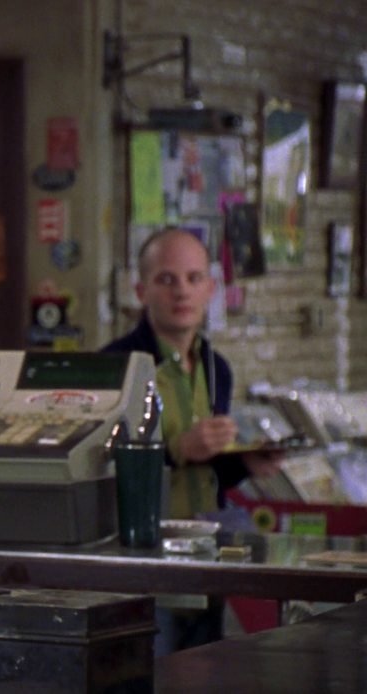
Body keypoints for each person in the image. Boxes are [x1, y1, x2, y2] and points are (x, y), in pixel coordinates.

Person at [103, 228, 281, 656]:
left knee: (205, 670)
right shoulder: (115, 366)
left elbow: (208, 471)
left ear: (210, 289)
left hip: (206, 551)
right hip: (144, 557)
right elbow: (101, 465)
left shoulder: (217, 367)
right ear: (142, 291)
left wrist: (246, 464)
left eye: (193, 278)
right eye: (166, 279)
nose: (181, 291)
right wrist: (177, 449)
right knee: (154, 672)